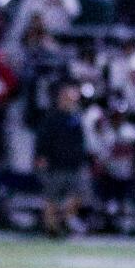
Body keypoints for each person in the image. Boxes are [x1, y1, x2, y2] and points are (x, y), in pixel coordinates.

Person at [33, 82, 90, 237]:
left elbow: (81, 141)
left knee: (79, 196)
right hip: (55, 165)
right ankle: (51, 230)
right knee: (51, 199)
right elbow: (42, 140)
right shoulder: (51, 118)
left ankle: (61, 221)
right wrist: (41, 158)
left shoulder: (76, 118)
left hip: (73, 165)